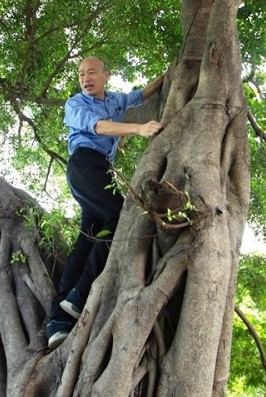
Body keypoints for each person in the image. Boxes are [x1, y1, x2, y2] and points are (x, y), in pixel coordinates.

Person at [46, 56, 165, 350]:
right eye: (81, 74)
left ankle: (57, 321)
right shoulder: (75, 105)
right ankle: (79, 294)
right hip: (84, 166)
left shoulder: (116, 100)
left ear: (105, 75)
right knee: (120, 217)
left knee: (87, 239)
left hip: (102, 171)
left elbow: (142, 94)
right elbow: (98, 127)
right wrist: (138, 129)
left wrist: (169, 73)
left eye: (91, 72)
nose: (85, 78)